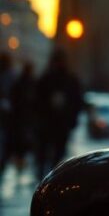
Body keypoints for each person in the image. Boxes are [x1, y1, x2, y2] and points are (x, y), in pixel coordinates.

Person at [33, 49, 83, 180]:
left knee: (52, 152)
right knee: (50, 152)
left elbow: (77, 101)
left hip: (56, 123)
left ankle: (48, 175)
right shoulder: (58, 79)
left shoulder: (62, 79)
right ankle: (48, 175)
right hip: (51, 123)